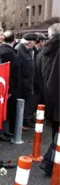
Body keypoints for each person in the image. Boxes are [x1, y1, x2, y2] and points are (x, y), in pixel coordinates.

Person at [37, 23, 60, 176]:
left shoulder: (42, 53)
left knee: (55, 133)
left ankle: (53, 163)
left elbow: (39, 76)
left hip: (50, 99)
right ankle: (50, 162)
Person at [0, 30, 22, 134]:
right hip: (9, 86)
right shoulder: (9, 52)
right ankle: (5, 131)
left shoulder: (1, 50)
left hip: (3, 85)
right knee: (8, 110)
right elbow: (10, 72)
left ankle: (4, 131)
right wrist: (10, 89)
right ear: (14, 39)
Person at [17, 33, 38, 130]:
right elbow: (18, 69)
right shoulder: (19, 50)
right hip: (23, 83)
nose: (35, 43)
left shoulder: (29, 50)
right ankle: (20, 124)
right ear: (30, 42)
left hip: (28, 82)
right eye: (34, 41)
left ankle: (25, 121)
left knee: (27, 103)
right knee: (21, 104)